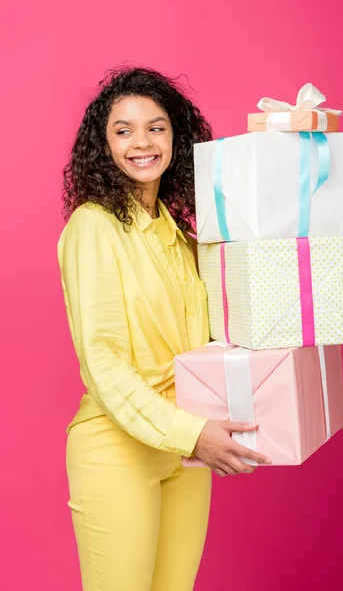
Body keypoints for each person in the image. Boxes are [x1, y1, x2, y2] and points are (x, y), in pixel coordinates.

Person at [57, 66, 271, 591]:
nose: (142, 142)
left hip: (185, 449)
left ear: (177, 136)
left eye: (156, 127)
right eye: (123, 130)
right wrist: (193, 433)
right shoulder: (94, 225)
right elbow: (103, 359)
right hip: (120, 447)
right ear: (102, 146)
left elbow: (222, 332)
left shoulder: (184, 238)